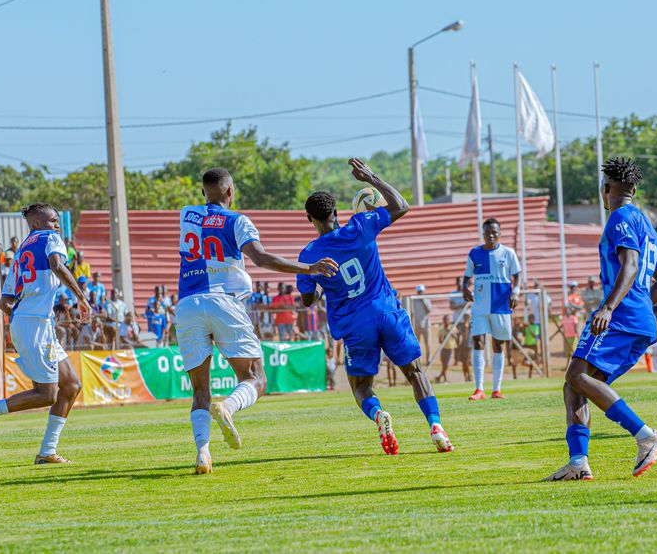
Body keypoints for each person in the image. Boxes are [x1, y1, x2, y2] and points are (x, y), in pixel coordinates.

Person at [175, 167, 338, 475]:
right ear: (230, 192)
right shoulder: (238, 220)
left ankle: (202, 452)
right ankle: (229, 407)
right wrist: (310, 269)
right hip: (224, 302)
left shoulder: (187, 215)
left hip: (187, 305)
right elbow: (261, 259)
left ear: (202, 193)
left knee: (200, 392)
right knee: (256, 378)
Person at [297, 158, 452, 454]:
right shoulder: (361, 225)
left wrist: (317, 279)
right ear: (336, 212)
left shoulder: (309, 254)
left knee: (361, 388)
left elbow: (307, 300)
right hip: (387, 312)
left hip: (356, 326)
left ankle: (379, 415)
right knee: (416, 373)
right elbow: (401, 205)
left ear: (310, 219)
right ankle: (436, 427)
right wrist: (372, 177)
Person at [544, 157, 657, 483]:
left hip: (620, 315)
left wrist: (611, 308)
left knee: (576, 375)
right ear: (633, 188)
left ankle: (646, 435)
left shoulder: (619, 218)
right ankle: (578, 463)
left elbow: (629, 264)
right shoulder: (645, 223)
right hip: (640, 318)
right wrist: (640, 306)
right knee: (575, 385)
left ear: (606, 188)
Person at [0, 203, 92, 465]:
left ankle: (47, 452)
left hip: (33, 324)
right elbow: (56, 264)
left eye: (57, 221)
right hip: (35, 325)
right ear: (38, 223)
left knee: (72, 385)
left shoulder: (21, 252)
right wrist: (81, 297)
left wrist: (22, 317)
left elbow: (4, 302)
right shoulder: (52, 239)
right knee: (46, 394)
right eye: (52, 220)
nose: (57, 225)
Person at [462, 217, 521, 400]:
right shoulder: (474, 253)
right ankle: (479, 389)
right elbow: (466, 277)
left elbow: (517, 275)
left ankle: (497, 389)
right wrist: (465, 288)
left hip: (500, 305)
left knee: (498, 344)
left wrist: (516, 292)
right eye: (488, 232)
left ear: (499, 233)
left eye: (494, 232)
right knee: (478, 342)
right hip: (479, 306)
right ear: (483, 233)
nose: (491, 236)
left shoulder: (508, 253)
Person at [411, 285, 432, 360]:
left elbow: (429, 310)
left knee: (428, 344)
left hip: (426, 325)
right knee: (417, 343)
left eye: (421, 291)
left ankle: (428, 360)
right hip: (417, 324)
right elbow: (412, 312)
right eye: (419, 291)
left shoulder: (427, 299)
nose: (420, 293)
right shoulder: (414, 300)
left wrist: (423, 301)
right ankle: (417, 359)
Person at [435, 314, 455, 383]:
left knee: (446, 365)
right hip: (443, 348)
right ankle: (444, 379)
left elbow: (456, 337)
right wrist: (444, 337)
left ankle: (439, 377)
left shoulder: (452, 327)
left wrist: (449, 331)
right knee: (444, 364)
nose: (447, 321)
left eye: (448, 320)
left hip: (450, 348)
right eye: (445, 320)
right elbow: (440, 341)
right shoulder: (441, 329)